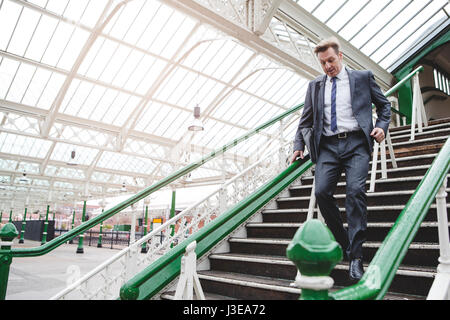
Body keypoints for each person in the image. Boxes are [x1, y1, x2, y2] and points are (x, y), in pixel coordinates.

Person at [291, 37, 391, 282]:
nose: (327, 66)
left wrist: (381, 127)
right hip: (327, 147)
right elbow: (305, 120)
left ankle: (356, 257)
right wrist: (298, 146)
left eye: (331, 60)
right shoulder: (315, 85)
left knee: (355, 191)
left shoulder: (362, 77)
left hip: (356, 142)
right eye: (323, 63)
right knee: (322, 192)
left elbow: (384, 106)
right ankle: (345, 243)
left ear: (341, 56)